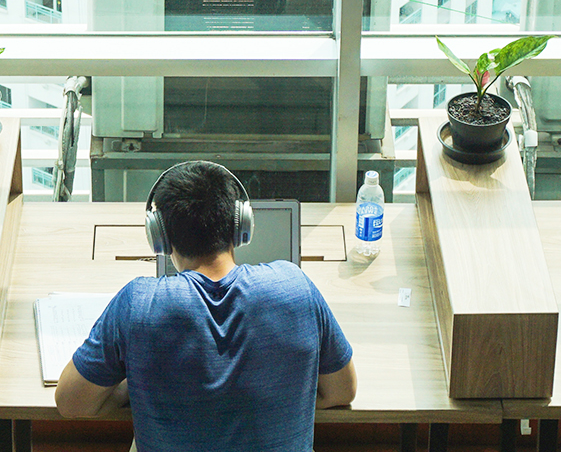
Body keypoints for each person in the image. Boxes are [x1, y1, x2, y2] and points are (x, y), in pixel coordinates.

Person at [55, 160, 356, 451]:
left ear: (159, 236)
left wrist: (131, 388)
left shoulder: (138, 305)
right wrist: (284, 397)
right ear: (241, 227)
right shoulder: (295, 288)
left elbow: (72, 403)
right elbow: (343, 391)